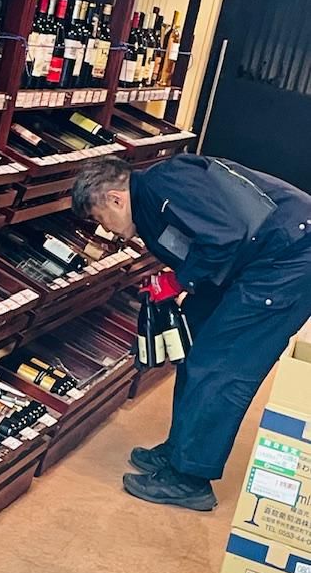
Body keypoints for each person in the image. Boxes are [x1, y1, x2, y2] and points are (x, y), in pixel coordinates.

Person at [71, 153, 311, 512]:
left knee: (221, 363)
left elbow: (224, 237)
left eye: (98, 217)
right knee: (192, 338)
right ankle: (181, 450)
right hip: (255, 258)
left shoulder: (164, 185)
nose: (103, 229)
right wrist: (178, 281)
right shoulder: (150, 200)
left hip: (287, 258)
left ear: (115, 199)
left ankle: (190, 479)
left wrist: (178, 281)